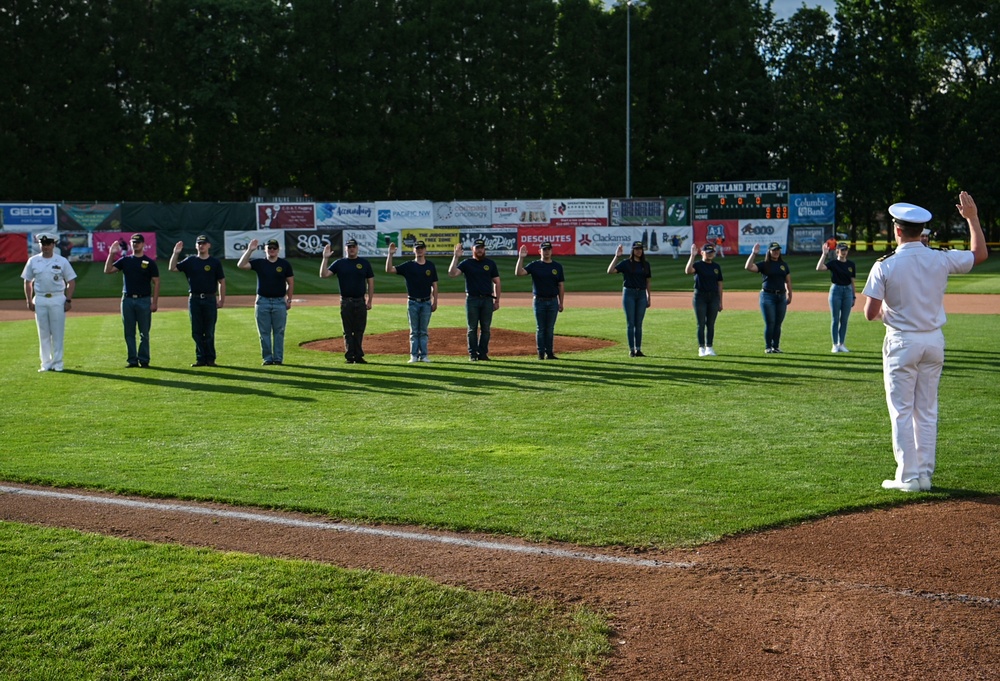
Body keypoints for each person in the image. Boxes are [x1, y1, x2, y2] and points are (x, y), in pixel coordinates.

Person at [862, 193, 987, 492]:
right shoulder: (940, 257)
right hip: (933, 341)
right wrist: (972, 218)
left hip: (902, 342)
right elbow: (979, 254)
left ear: (897, 230)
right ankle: (925, 475)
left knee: (902, 411)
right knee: (927, 410)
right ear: (922, 232)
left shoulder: (885, 264)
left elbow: (870, 313)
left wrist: (890, 316)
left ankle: (907, 477)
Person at [21, 233, 77, 372]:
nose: (45, 247)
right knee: (43, 333)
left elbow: (71, 281)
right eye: (43, 244)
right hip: (40, 298)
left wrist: (68, 300)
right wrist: (29, 300)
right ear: (39, 245)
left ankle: (58, 363)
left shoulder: (62, 261)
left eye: (48, 244)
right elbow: (27, 281)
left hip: (57, 298)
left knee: (57, 333)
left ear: (53, 245)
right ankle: (45, 363)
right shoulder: (33, 261)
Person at [104, 233, 160, 368]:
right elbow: (108, 270)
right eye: (134, 242)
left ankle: (144, 359)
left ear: (143, 244)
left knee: (144, 332)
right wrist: (111, 254)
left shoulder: (150, 262)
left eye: (138, 242)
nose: (136, 244)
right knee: (129, 332)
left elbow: (156, 282)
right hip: (127, 299)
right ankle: (132, 360)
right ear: (130, 243)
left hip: (144, 300)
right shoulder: (125, 260)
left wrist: (155, 302)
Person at [170, 234, 226, 367]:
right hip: (194, 299)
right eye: (199, 244)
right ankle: (200, 358)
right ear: (196, 246)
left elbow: (221, 281)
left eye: (204, 243)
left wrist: (221, 299)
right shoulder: (190, 261)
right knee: (196, 331)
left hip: (210, 299)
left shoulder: (214, 262)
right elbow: (172, 268)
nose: (201, 246)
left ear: (209, 245)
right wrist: (175, 253)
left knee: (209, 330)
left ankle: (210, 359)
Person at [238, 238, 294, 366]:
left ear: (278, 250)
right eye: (269, 248)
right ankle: (268, 358)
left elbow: (290, 283)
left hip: (279, 301)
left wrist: (288, 299)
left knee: (279, 331)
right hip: (262, 301)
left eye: (274, 248)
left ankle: (278, 358)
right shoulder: (259, 263)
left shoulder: (284, 264)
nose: (272, 250)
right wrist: (250, 250)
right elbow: (241, 265)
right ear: (265, 249)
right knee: (264, 332)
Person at [321, 238, 375, 364]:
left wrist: (370, 300)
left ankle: (359, 355)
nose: (351, 249)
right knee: (348, 330)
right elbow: (323, 275)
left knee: (359, 329)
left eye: (353, 247)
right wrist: (325, 258)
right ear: (346, 248)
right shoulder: (339, 263)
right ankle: (350, 356)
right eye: (349, 247)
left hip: (360, 300)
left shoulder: (364, 263)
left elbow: (370, 282)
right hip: (346, 301)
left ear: (357, 248)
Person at [386, 240, 438, 363]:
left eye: (421, 248)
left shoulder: (430, 266)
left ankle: (424, 355)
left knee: (423, 331)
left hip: (426, 302)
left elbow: (434, 285)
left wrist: (435, 301)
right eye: (417, 248)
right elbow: (389, 270)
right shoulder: (408, 266)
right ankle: (413, 355)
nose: (419, 250)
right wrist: (390, 254)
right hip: (413, 301)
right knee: (414, 331)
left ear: (425, 250)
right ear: (413, 250)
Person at [449, 239, 501, 361]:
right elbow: (452, 274)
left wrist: (497, 300)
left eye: (482, 248)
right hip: (472, 299)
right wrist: (456, 257)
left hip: (487, 299)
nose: (480, 250)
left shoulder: (490, 263)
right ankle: (472, 354)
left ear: (484, 249)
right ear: (473, 249)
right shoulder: (467, 263)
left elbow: (497, 282)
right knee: (472, 328)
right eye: (477, 248)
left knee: (486, 328)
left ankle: (483, 353)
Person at [515, 241, 565, 360]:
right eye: (544, 250)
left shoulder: (557, 266)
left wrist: (561, 302)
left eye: (548, 249)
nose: (546, 252)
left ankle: (550, 353)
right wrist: (520, 258)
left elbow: (561, 285)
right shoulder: (535, 265)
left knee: (550, 328)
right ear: (540, 251)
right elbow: (519, 273)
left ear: (551, 251)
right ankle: (540, 353)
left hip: (553, 301)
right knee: (541, 328)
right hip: (539, 301)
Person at [745, 241, 792, 353]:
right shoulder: (764, 264)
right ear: (769, 251)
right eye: (774, 250)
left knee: (778, 323)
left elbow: (788, 281)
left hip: (781, 296)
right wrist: (753, 254)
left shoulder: (783, 265)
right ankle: (768, 347)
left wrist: (790, 294)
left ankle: (775, 346)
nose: (776, 252)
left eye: (778, 250)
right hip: (767, 296)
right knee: (770, 322)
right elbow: (748, 267)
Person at [608, 240, 651, 357]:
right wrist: (616, 256)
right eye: (636, 249)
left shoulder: (645, 264)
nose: (639, 251)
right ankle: (631, 349)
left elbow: (647, 281)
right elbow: (610, 271)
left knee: (639, 323)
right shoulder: (626, 263)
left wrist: (649, 296)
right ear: (633, 250)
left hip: (641, 294)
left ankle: (639, 349)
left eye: (640, 249)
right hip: (629, 293)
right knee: (630, 323)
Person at [816, 241, 856, 353]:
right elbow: (819, 268)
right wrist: (824, 254)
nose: (844, 252)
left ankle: (841, 343)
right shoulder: (833, 263)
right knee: (835, 319)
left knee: (844, 319)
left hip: (847, 291)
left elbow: (852, 281)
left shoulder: (851, 265)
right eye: (842, 250)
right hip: (836, 290)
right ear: (837, 251)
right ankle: (834, 344)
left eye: (845, 250)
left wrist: (854, 296)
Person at [684, 242, 723, 357]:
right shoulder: (698, 265)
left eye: (712, 252)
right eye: (708, 252)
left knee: (711, 323)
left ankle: (709, 347)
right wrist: (692, 256)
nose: (710, 254)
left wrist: (720, 301)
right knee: (700, 323)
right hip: (700, 296)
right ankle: (701, 347)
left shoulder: (716, 267)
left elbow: (720, 284)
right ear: (702, 253)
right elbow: (687, 271)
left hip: (713, 297)